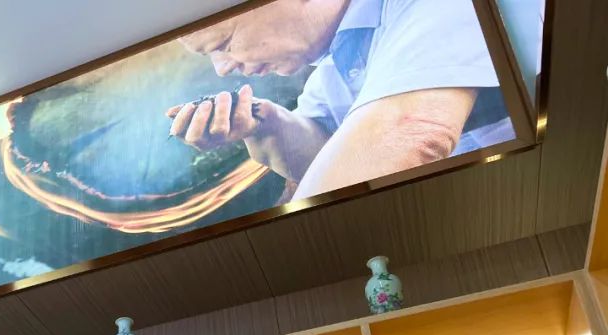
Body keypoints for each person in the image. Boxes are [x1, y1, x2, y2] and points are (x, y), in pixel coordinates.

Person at [167, 0, 515, 200]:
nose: (223, 69)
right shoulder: (340, 60)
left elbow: (406, 134)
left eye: (224, 43)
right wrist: (266, 126)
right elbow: (327, 154)